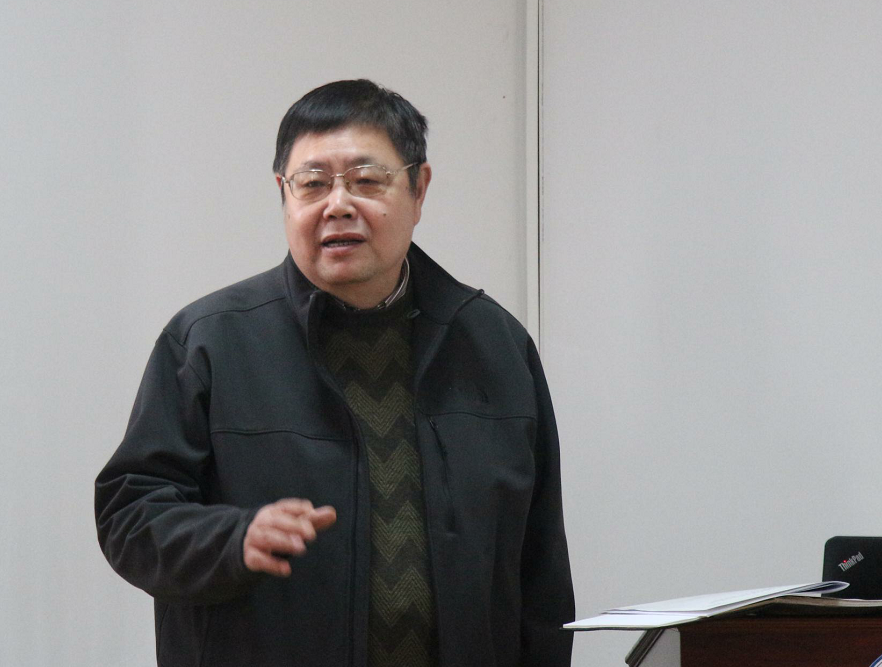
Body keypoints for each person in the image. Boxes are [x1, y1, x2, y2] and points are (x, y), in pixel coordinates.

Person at [95, 79, 575, 667]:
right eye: (313, 183)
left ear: (419, 189)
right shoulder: (210, 342)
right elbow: (129, 516)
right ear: (284, 194)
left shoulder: (495, 346)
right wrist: (230, 539)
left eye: (367, 181)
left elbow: (541, 570)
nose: (339, 205)